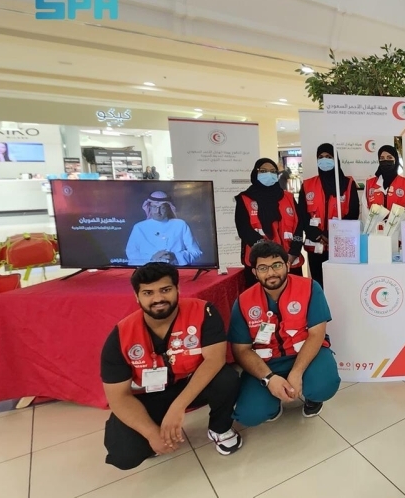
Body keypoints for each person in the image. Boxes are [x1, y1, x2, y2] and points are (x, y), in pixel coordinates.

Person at [100, 263, 242, 470]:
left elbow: (215, 359)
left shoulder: (203, 312)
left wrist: (178, 407)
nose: (158, 298)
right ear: (137, 297)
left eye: (165, 290)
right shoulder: (121, 335)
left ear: (178, 289)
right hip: (149, 395)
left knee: (227, 378)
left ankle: (220, 429)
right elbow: (118, 397)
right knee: (124, 455)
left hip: (191, 384)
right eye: (148, 293)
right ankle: (154, 433)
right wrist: (151, 433)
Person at [229, 240, 341, 425]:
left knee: (324, 386)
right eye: (263, 268)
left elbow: (317, 334)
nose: (271, 273)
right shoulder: (243, 302)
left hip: (306, 353)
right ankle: (272, 405)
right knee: (249, 416)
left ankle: (313, 398)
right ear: (254, 272)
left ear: (288, 265)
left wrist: (297, 372)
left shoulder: (310, 288)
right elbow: (241, 350)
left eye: (277, 265)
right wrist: (269, 379)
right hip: (267, 362)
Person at [235, 158, 304, 288]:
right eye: (263, 171)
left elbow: (299, 226)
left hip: (290, 261)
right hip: (260, 264)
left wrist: (292, 254)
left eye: (273, 171)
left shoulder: (288, 197)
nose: (269, 174)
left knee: (294, 296)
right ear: (255, 173)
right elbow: (244, 229)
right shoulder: (244, 199)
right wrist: (268, 257)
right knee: (260, 298)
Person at [298, 143, 360, 287]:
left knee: (340, 285)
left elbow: (353, 213)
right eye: (320, 157)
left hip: (340, 245)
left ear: (335, 159)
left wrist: (330, 233)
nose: (324, 160)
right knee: (319, 284)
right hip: (315, 245)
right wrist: (316, 234)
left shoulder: (347, 184)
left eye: (328, 157)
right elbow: (302, 214)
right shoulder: (308, 185)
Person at [125, 191, 203, 266]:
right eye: (154, 207)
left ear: (168, 208)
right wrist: (151, 258)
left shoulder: (180, 225)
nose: (157, 211)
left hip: (175, 270)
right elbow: (131, 254)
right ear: (149, 207)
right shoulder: (139, 227)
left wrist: (175, 256)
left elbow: (196, 253)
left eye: (162, 208)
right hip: (148, 271)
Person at [363, 145, 405, 228]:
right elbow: (365, 211)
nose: (385, 161)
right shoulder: (369, 184)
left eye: (389, 158)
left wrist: (392, 230)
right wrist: (373, 229)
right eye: (382, 158)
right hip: (374, 233)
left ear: (396, 159)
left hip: (398, 233)